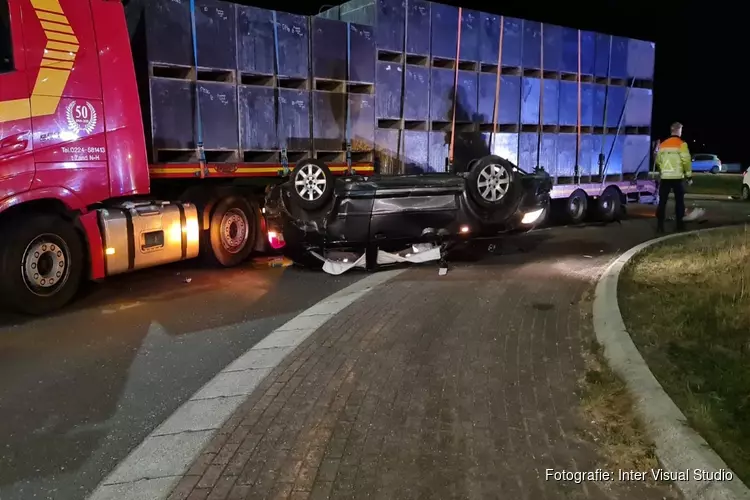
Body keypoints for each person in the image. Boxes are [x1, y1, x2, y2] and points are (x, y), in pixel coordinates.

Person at [655, 122, 692, 232]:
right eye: (681, 130)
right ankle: (679, 226)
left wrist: (663, 170)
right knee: (679, 202)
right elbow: (686, 161)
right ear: (678, 130)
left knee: (662, 202)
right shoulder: (682, 144)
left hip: (665, 177)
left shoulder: (663, 145)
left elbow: (658, 161)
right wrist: (689, 176)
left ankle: (660, 226)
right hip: (677, 178)